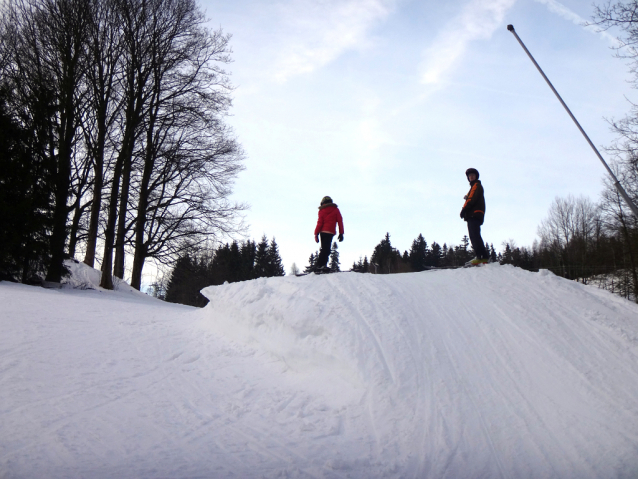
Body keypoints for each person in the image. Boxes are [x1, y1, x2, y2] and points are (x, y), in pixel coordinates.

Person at [460, 168, 489, 265]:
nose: (471, 177)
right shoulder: (473, 187)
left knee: (474, 235)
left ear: (476, 177)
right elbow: (470, 197)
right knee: (474, 235)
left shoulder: (476, 185)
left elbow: (472, 199)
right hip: (473, 214)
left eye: (473, 175)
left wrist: (464, 209)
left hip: (475, 214)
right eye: (469, 176)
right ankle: (481, 256)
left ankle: (481, 256)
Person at [314, 196, 344, 272]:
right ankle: (321, 266)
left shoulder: (321, 210)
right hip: (330, 232)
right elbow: (340, 221)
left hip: (322, 232)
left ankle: (320, 266)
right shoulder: (336, 210)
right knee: (326, 249)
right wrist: (341, 233)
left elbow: (319, 223)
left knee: (324, 248)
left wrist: (316, 233)